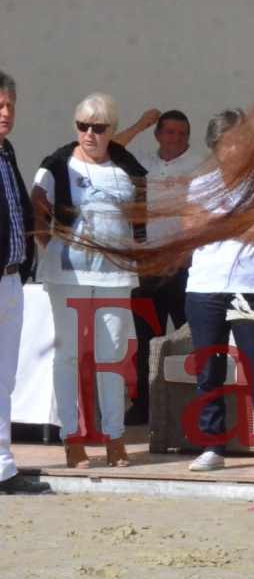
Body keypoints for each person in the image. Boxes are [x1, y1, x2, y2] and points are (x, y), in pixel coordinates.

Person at [31, 93, 146, 469]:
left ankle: (114, 437)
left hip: (115, 274)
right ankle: (72, 438)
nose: (89, 134)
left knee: (111, 356)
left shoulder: (126, 167)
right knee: (66, 355)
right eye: (83, 126)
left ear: (112, 130)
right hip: (67, 275)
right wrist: (50, 246)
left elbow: (140, 215)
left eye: (98, 127)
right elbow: (35, 207)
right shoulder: (55, 166)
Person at [184, 109, 254, 472]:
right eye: (228, 143)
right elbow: (190, 226)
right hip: (205, 287)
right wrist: (237, 221)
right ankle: (212, 446)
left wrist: (217, 223)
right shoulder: (200, 184)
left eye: (242, 140)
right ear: (215, 146)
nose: (236, 149)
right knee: (209, 371)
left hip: (250, 287)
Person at [115, 109, 203, 424]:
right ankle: (145, 406)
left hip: (184, 265)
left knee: (186, 337)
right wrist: (139, 124)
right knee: (146, 338)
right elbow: (110, 148)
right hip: (148, 266)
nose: (176, 139)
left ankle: (187, 407)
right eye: (169, 132)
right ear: (158, 135)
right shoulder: (143, 164)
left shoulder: (200, 165)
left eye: (182, 134)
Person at [0, 69, 48, 494]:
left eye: (11, 105)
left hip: (12, 277)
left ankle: (2, 464)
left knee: (5, 376)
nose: (6, 113)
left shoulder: (7, 152)